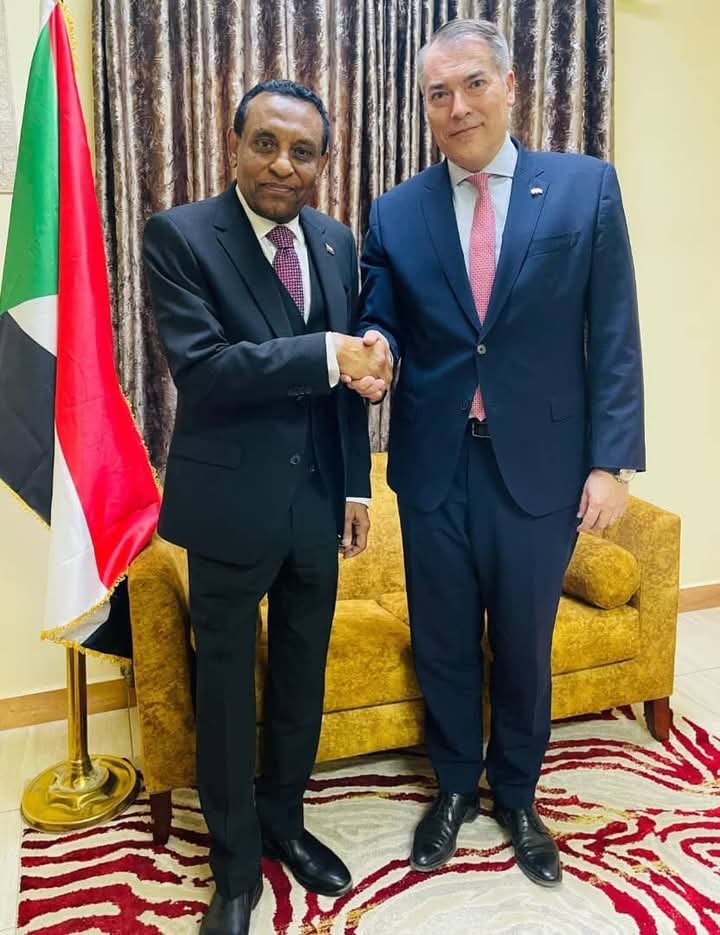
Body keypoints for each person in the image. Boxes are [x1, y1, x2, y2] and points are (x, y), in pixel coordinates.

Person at [346, 19, 645, 888]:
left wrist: (611, 461)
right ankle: (451, 787)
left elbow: (614, 329)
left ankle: (516, 794)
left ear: (510, 86)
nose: (457, 106)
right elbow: (382, 315)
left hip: (540, 468)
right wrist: (377, 346)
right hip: (434, 465)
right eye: (438, 93)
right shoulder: (396, 210)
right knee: (442, 640)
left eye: (473, 84)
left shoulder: (584, 187)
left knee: (522, 643)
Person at [144, 80, 389, 935]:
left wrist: (355, 483)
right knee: (224, 692)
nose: (283, 164)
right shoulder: (180, 235)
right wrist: (326, 351)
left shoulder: (334, 240)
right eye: (266, 143)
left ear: (323, 162)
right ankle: (235, 866)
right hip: (226, 508)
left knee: (299, 678)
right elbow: (205, 370)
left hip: (317, 504)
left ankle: (284, 818)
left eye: (303, 151)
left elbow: (348, 384)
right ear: (234, 144)